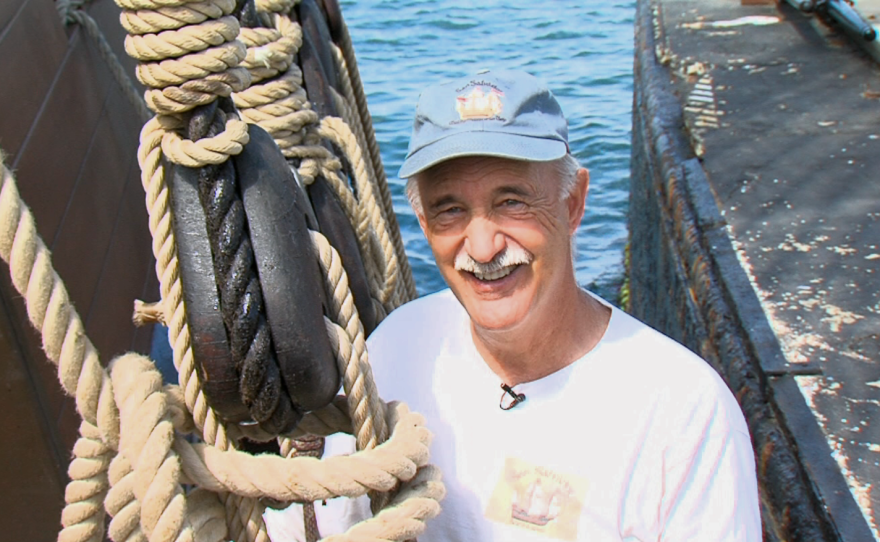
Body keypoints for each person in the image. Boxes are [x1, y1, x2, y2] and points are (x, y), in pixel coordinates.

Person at [265, 69, 761, 541]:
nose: (482, 248)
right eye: (450, 210)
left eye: (512, 202)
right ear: (422, 222)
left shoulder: (683, 411)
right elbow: (324, 519)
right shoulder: (398, 345)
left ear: (572, 204)